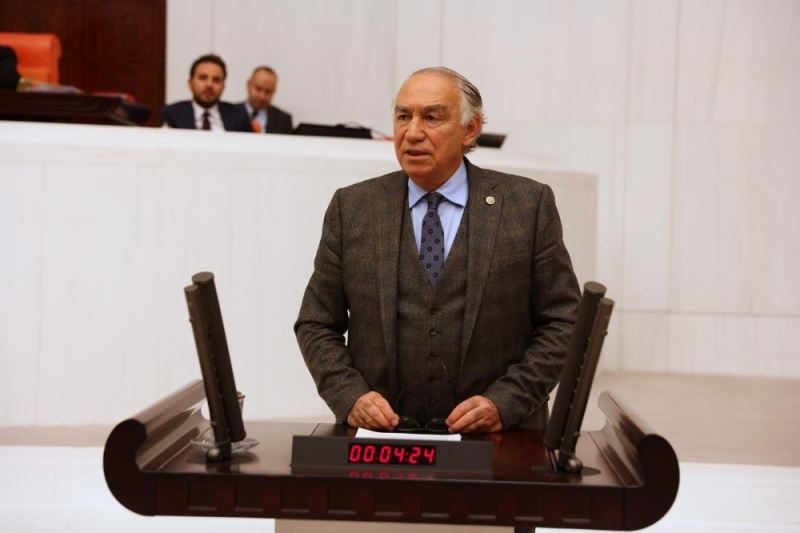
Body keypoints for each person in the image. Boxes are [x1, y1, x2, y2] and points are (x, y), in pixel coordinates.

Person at [295, 67, 580, 434]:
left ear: (470, 129)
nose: (413, 132)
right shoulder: (352, 208)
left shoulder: (527, 206)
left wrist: (506, 401)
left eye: (432, 117)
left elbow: (563, 322)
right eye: (403, 116)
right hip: (382, 442)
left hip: (500, 442)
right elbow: (316, 323)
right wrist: (350, 396)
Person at [161, 54, 252, 132]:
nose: (209, 84)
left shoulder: (238, 115)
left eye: (216, 80)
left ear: (223, 86)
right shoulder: (173, 113)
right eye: (203, 78)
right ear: (190, 83)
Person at [240, 66, 293, 134]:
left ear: (274, 91)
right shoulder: (230, 113)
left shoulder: (283, 120)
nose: (262, 96)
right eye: (258, 88)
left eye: (268, 91)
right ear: (248, 85)